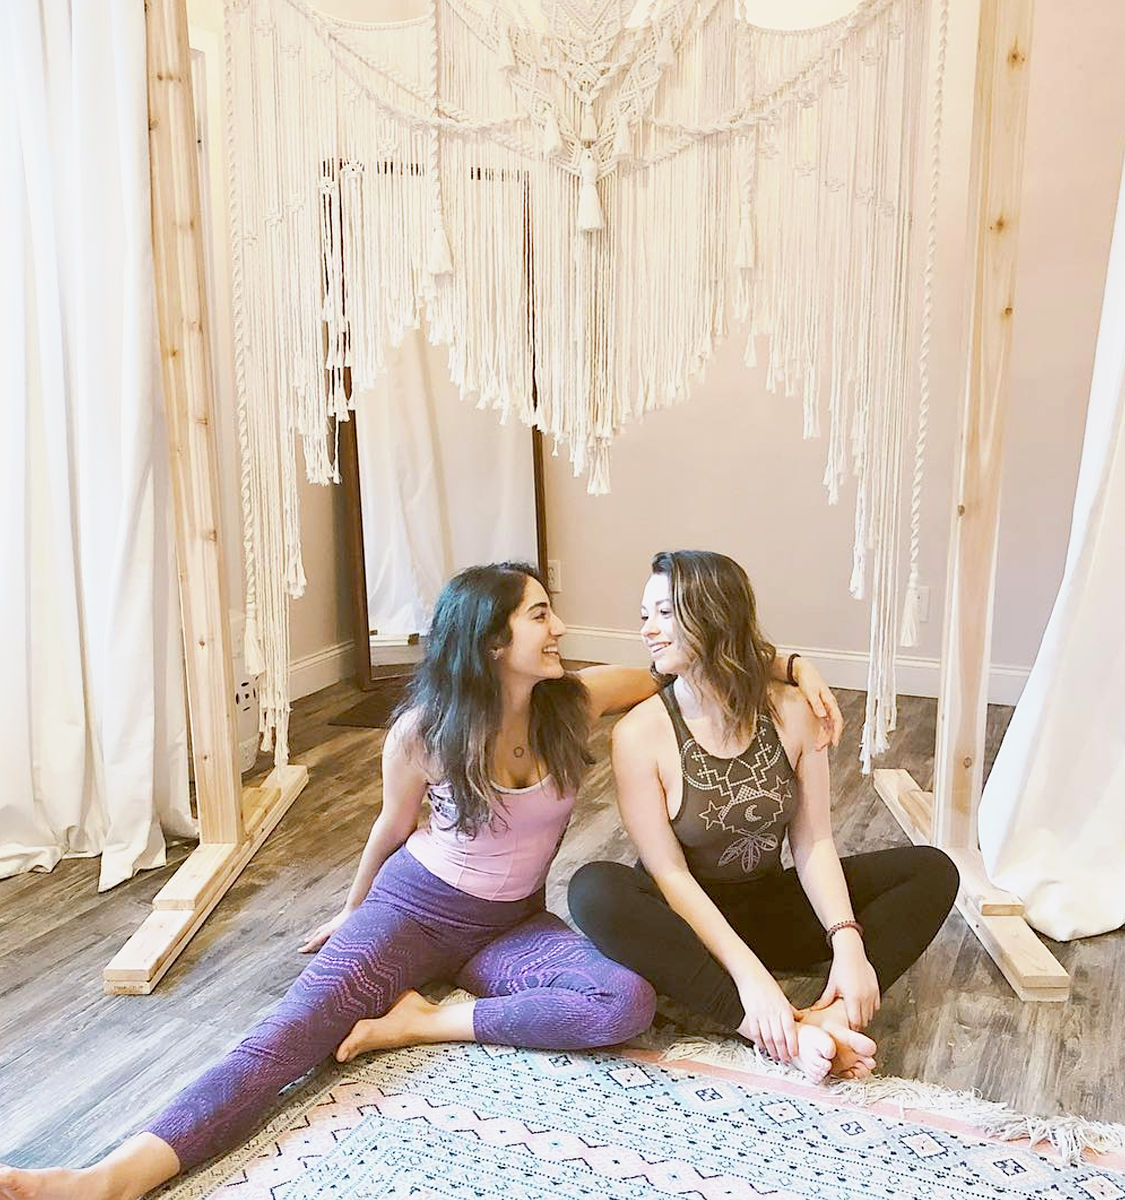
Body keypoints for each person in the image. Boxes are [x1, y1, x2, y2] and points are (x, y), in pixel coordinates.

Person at [0, 561, 839, 1200]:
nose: (560, 627)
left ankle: (421, 1022)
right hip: (412, 913)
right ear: (490, 641)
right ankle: (106, 1177)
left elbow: (687, 662)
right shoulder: (424, 734)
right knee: (284, 1044)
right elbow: (387, 829)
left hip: (511, 924)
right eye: (540, 614)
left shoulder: (572, 703)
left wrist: (793, 663)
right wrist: (353, 914)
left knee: (620, 1003)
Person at [568, 550, 960, 1084]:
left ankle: (835, 1016)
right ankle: (775, 1030)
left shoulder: (793, 711)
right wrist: (754, 981)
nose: (648, 631)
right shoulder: (639, 734)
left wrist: (847, 943)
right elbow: (670, 874)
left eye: (664, 613)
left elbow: (815, 842)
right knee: (592, 889)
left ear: (711, 616)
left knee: (932, 870)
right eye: (644, 616)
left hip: (766, 903)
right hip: (686, 919)